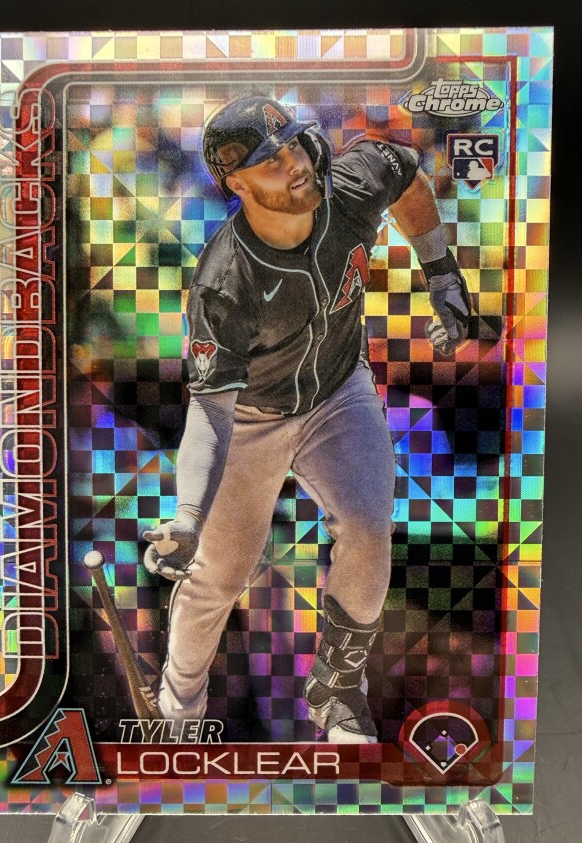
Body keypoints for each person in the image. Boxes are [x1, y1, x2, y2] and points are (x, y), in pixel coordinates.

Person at [142, 96, 471, 743]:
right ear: (237, 184)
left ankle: (337, 689)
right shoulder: (224, 279)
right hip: (251, 418)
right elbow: (209, 411)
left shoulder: (350, 184)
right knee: (220, 574)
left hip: (337, 391)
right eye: (268, 160)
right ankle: (178, 712)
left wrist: (440, 273)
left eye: (292, 143)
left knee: (368, 523)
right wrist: (187, 515)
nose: (291, 162)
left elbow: (405, 174)